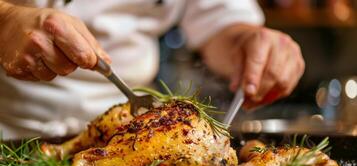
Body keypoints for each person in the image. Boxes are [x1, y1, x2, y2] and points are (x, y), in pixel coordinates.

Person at [0, 0, 304, 139]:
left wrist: (247, 42)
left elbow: (220, 24)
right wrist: (6, 17)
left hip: (128, 127)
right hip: (8, 126)